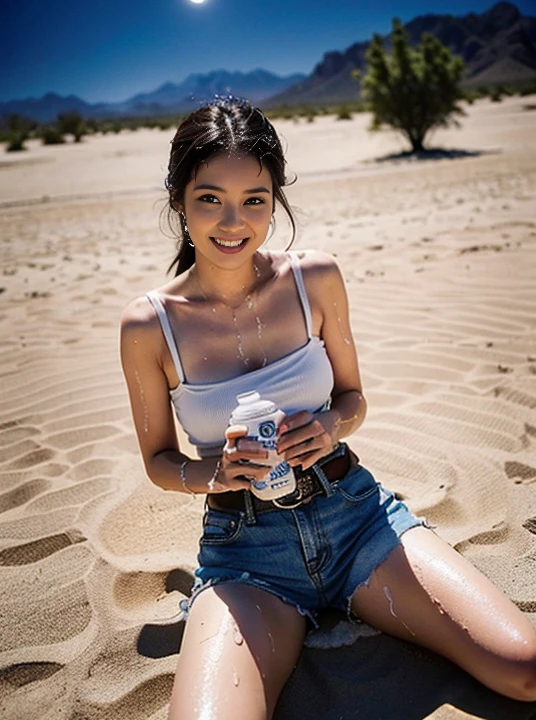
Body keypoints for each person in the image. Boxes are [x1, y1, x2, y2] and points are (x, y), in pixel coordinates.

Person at [120, 98, 536, 719]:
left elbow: (353, 398)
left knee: (523, 670)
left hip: (358, 524)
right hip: (246, 556)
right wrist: (215, 473)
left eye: (254, 200)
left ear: (275, 200)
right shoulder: (148, 325)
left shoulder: (314, 278)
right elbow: (157, 460)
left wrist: (329, 425)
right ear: (179, 198)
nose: (233, 221)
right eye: (210, 198)